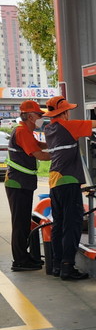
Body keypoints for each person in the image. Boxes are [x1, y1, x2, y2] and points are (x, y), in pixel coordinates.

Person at [43, 96, 96, 281]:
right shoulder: (69, 126)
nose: (69, 114)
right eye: (68, 111)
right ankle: (67, 267)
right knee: (72, 224)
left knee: (59, 224)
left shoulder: (48, 129)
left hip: (55, 181)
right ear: (64, 113)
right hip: (69, 181)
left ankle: (57, 265)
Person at [4, 100, 50, 271]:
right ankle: (20, 261)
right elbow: (40, 155)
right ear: (30, 116)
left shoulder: (27, 131)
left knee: (23, 221)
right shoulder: (22, 131)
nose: (41, 118)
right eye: (39, 115)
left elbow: (39, 145)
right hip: (18, 183)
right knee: (20, 223)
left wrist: (57, 142)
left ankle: (24, 257)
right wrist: (62, 152)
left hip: (22, 183)